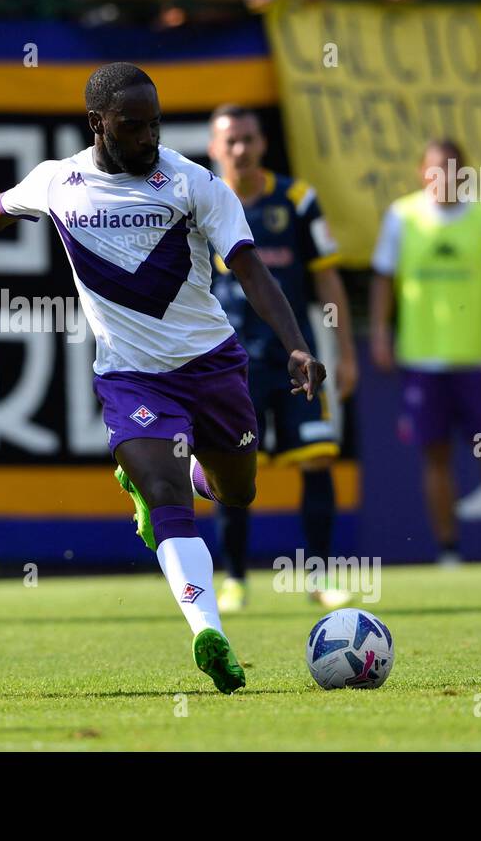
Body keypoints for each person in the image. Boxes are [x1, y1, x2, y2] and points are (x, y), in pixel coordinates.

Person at [0, 62, 327, 695]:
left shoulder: (196, 185)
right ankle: (209, 632)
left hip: (212, 365)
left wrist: (296, 345)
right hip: (131, 377)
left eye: (155, 124)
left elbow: (252, 270)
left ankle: (198, 473)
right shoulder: (58, 182)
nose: (148, 138)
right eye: (133, 126)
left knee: (239, 492)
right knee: (170, 497)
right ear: (98, 123)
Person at [205, 106, 357, 611]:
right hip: (231, 365)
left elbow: (327, 278)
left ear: (263, 143)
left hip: (297, 359)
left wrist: (344, 351)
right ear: (214, 148)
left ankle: (319, 576)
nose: (241, 150)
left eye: (249, 138)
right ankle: (234, 581)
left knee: (316, 460)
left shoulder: (297, 199)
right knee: (231, 473)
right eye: (231, 142)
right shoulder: (203, 201)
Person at [369, 139, 481, 566]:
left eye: (454, 169)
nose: (445, 178)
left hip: (476, 359)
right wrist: (382, 335)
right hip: (422, 362)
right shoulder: (402, 217)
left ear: (466, 173)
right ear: (423, 172)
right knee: (435, 457)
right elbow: (384, 279)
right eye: (436, 169)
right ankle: (448, 551)